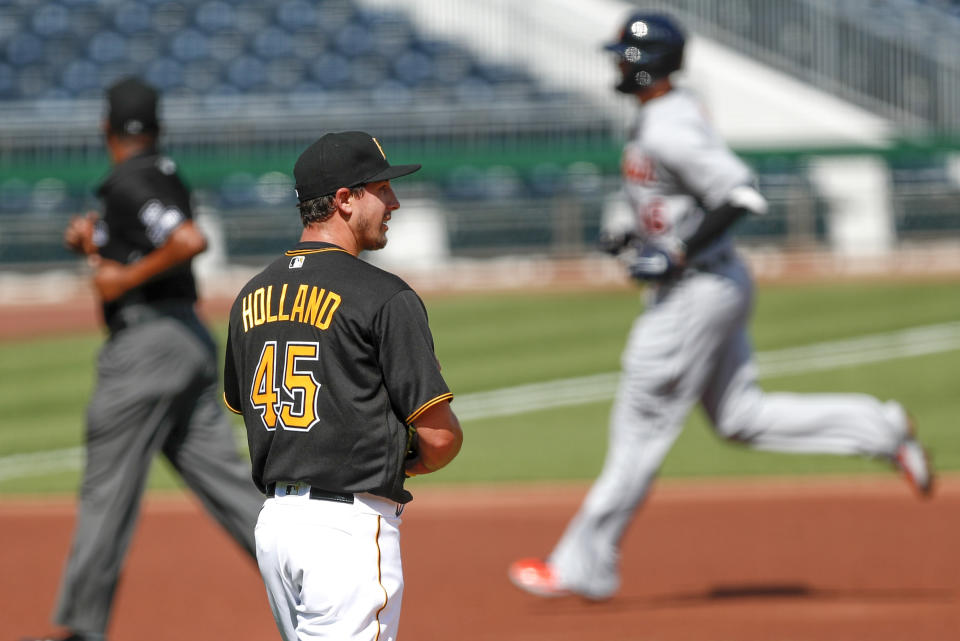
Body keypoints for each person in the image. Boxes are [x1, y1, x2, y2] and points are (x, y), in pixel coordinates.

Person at [508, 12, 934, 601]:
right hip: (713, 282)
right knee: (741, 418)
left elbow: (740, 193)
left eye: (621, 55)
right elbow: (665, 198)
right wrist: (633, 235)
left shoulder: (668, 126)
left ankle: (586, 563)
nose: (613, 64)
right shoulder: (666, 115)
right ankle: (881, 427)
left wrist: (677, 251)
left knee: (638, 430)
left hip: (695, 292)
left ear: (645, 62)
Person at [27, 77, 265, 641]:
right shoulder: (162, 172)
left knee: (107, 492)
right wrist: (95, 246)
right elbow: (159, 238)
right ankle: (324, 584)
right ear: (158, 126)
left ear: (104, 127)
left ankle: (83, 631)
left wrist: (119, 278)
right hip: (186, 336)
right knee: (231, 487)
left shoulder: (130, 180)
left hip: (145, 348)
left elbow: (188, 240)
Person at [222, 131, 463, 641]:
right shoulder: (384, 296)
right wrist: (404, 458)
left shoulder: (251, 294)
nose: (394, 201)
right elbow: (441, 439)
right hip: (345, 533)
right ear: (344, 200)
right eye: (381, 188)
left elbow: (252, 408)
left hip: (276, 530)